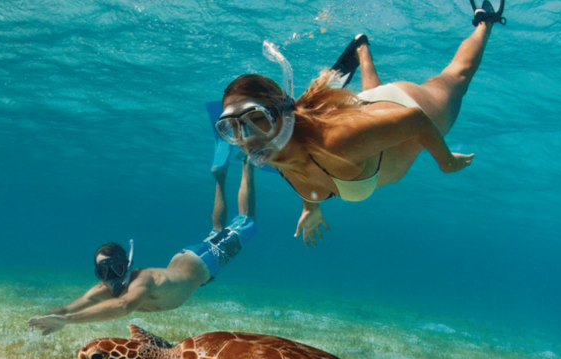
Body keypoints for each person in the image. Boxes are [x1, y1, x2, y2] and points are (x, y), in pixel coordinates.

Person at [214, 0, 507, 247]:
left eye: (257, 121)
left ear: (281, 115)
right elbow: (302, 172)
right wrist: (310, 207)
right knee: (368, 99)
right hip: (368, 113)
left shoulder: (339, 140)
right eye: (234, 129)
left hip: (406, 105)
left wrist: (445, 161)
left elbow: (416, 121)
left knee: (458, 77)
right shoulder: (276, 154)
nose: (248, 138)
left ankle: (484, 21)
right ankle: (362, 50)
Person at [26, 157, 257, 335]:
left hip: (204, 261)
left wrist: (67, 322)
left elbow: (124, 305)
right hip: (186, 262)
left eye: (115, 269)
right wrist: (46, 319)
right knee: (216, 231)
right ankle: (220, 176)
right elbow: (67, 309)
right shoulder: (102, 289)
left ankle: (247, 163)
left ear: (127, 265)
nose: (111, 278)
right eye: (103, 272)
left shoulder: (143, 280)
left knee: (245, 220)